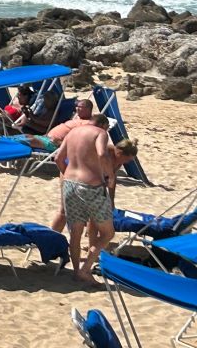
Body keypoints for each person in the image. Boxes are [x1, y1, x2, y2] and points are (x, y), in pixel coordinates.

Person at [53, 119, 119, 282]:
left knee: (75, 233)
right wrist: (110, 176)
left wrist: (68, 175)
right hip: (91, 186)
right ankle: (85, 269)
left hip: (69, 183)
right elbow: (102, 154)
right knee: (107, 233)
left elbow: (58, 159)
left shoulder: (72, 133)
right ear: (104, 125)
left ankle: (76, 272)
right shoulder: (100, 133)